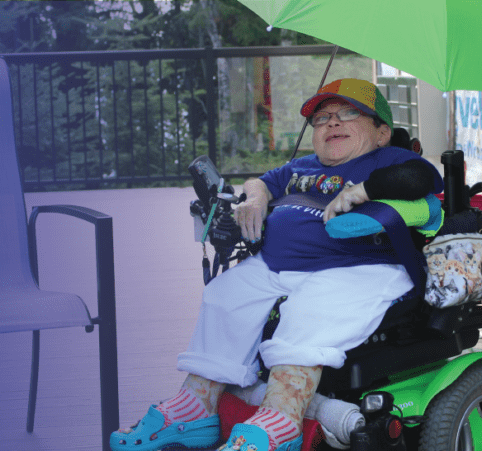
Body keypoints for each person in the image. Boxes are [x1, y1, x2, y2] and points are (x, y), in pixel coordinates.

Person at [111, 78, 444, 451]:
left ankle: (283, 418)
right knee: (225, 294)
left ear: (381, 132)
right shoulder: (303, 167)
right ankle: (196, 407)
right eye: (321, 118)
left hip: (357, 268)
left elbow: (422, 179)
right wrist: (254, 198)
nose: (332, 123)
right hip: (279, 266)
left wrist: (361, 191)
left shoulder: (389, 159)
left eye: (348, 114)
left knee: (310, 312)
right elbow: (261, 181)